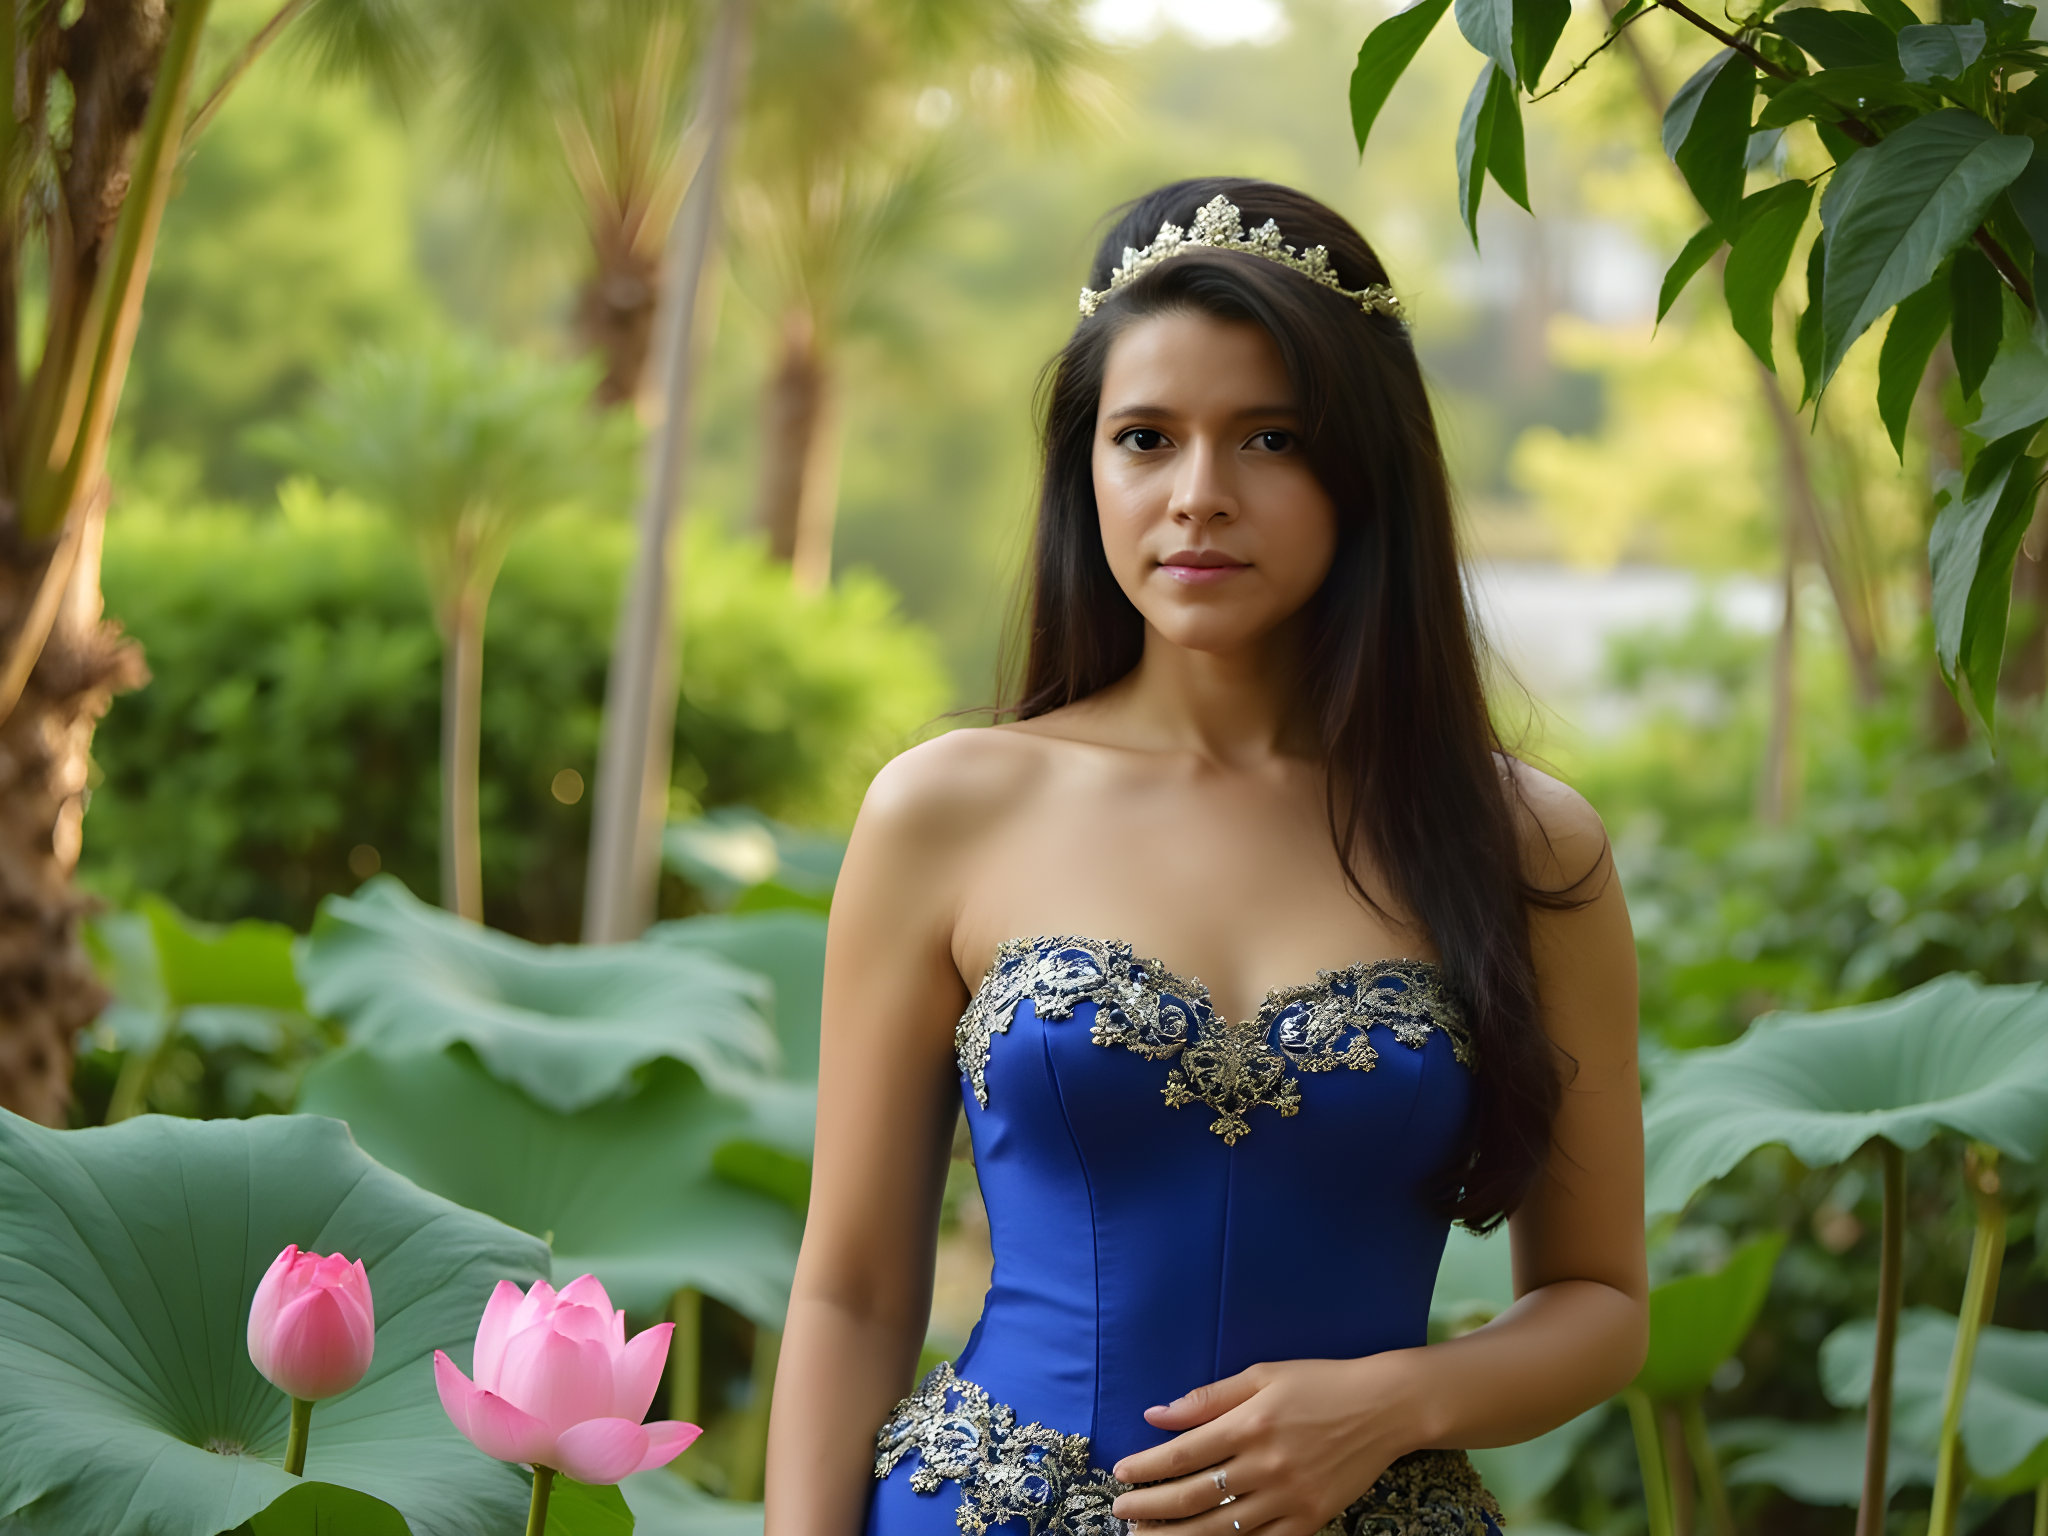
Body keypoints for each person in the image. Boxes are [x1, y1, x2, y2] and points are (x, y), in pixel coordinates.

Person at [764, 177, 1646, 1536]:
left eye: (1270, 439)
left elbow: (1600, 1303)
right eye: (1146, 439)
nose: (1198, 497)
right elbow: (856, 1290)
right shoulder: (946, 810)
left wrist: (1394, 1403)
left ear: (1367, 470)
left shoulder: (1522, 843)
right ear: (1086, 469)